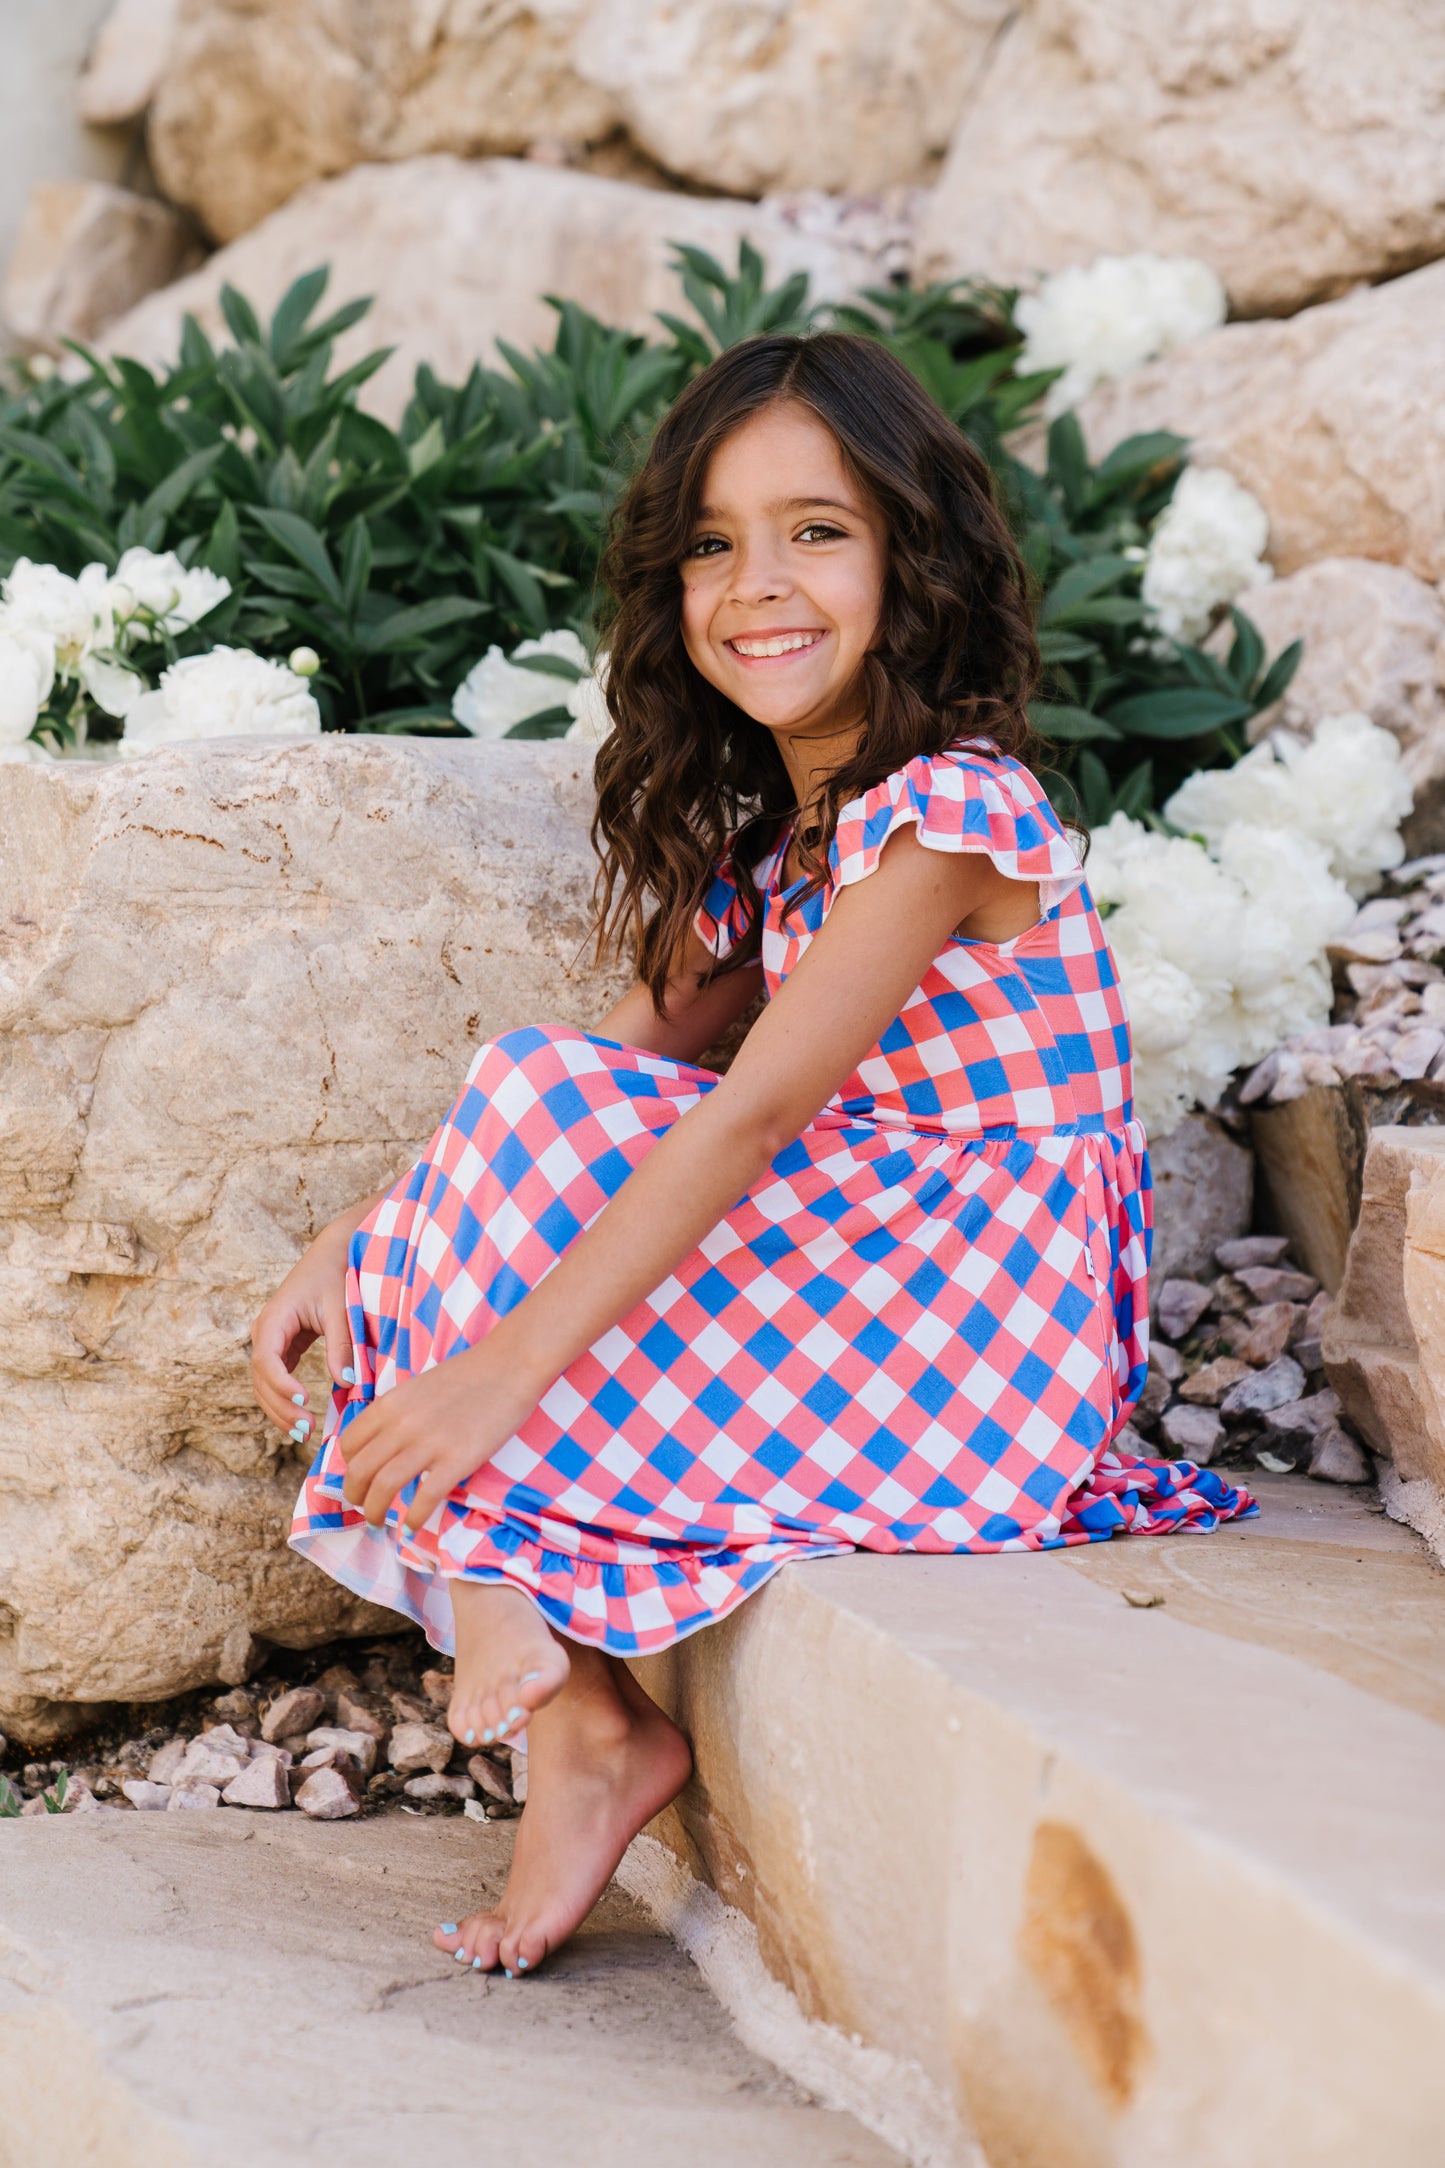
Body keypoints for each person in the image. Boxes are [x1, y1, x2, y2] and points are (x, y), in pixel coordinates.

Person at [253, 331, 1254, 1979]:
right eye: (713, 543)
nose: (756, 583)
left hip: (977, 1336)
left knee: (542, 1136)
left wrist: (501, 1368)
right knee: (535, 1095)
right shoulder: (773, 846)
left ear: (907, 557)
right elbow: (616, 1074)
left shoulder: (950, 811)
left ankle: (503, 1592)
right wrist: (358, 1242)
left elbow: (753, 1113)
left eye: (816, 529)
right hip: (854, 1274)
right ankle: (587, 1718)